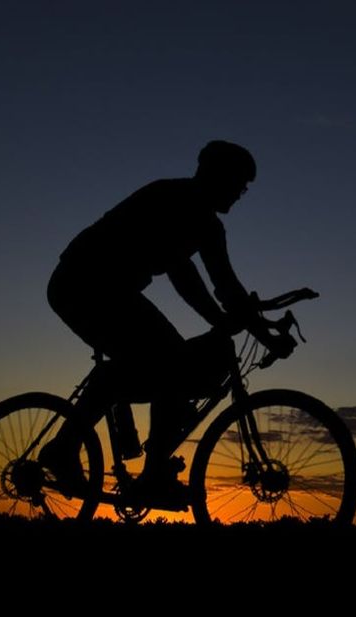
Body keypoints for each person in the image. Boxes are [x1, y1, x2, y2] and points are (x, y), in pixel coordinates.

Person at [37, 140, 295, 506]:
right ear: (216, 175)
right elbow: (182, 272)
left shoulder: (210, 227)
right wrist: (223, 321)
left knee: (157, 367)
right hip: (83, 283)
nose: (241, 193)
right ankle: (143, 471)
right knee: (171, 359)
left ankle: (88, 437)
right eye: (239, 183)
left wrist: (264, 333)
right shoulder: (174, 198)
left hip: (112, 290)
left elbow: (228, 287)